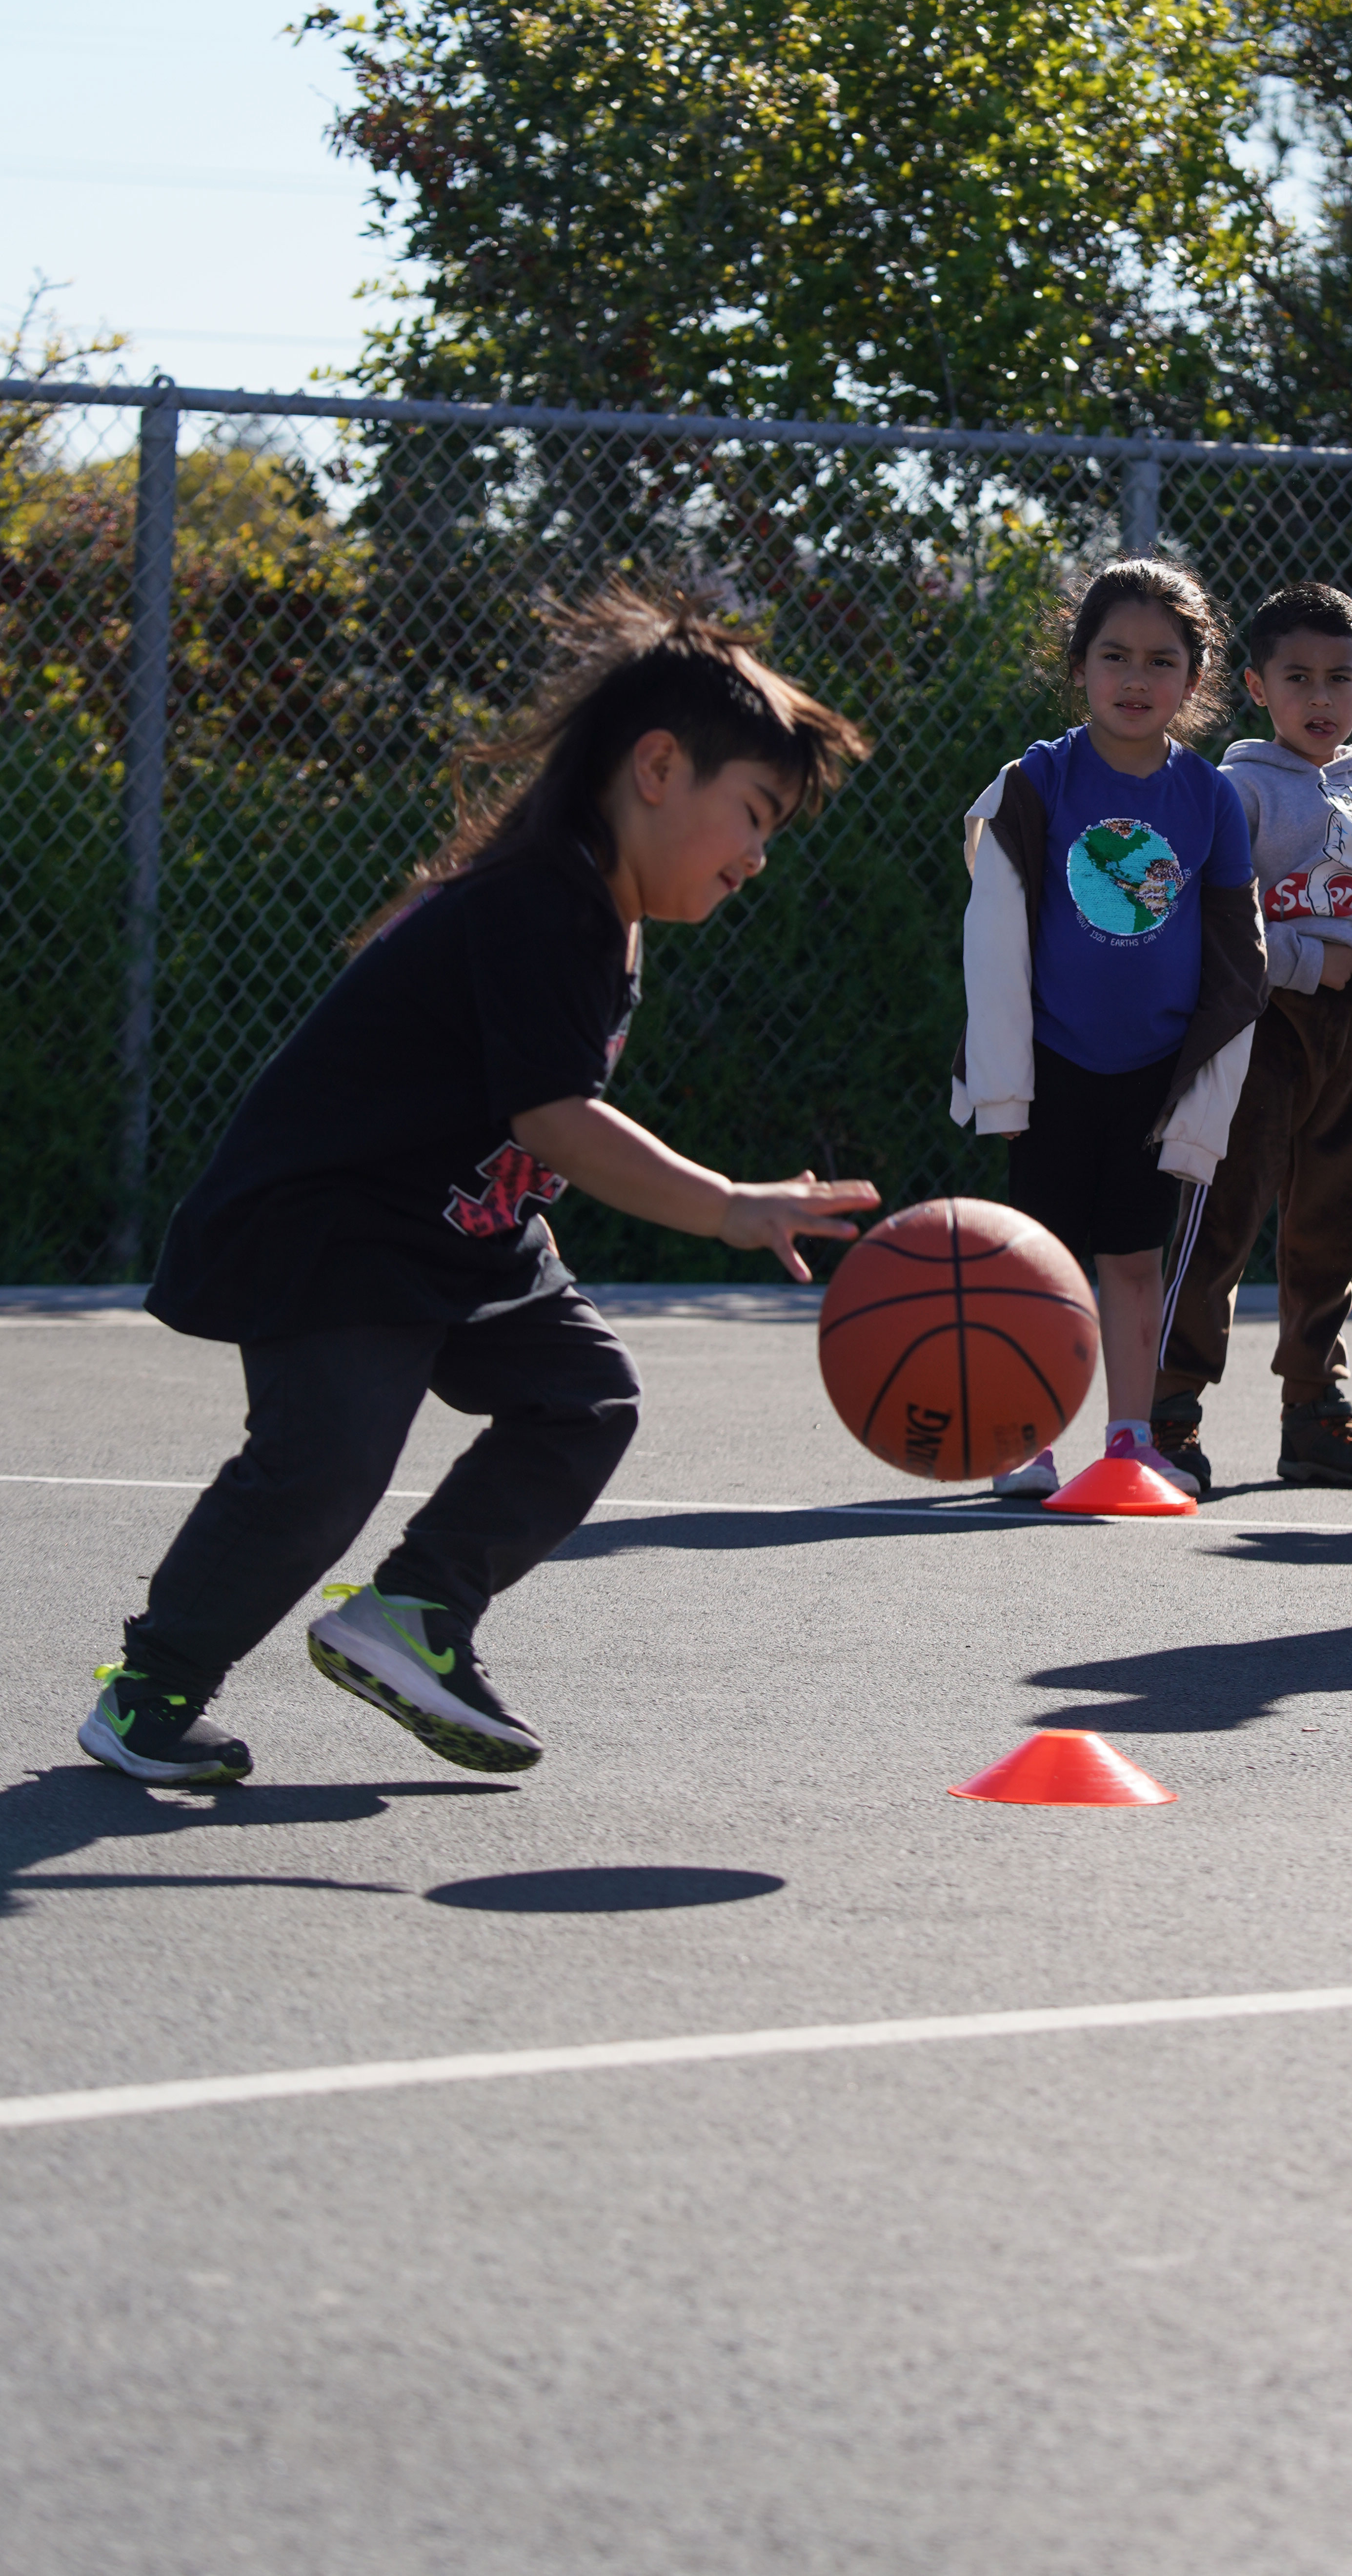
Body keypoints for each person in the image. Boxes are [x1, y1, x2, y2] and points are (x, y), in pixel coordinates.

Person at [79, 584, 878, 1789]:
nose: (758, 860)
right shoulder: (539, 900)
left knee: (583, 1398)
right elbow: (556, 1116)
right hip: (338, 1220)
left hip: (463, 1228)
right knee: (323, 1468)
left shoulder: (593, 911)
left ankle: (416, 1614)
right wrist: (728, 1202)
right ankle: (151, 1692)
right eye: (754, 816)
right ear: (658, 768)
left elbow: (528, 1121)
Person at [952, 555, 1267, 1502]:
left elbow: (1234, 947)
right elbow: (996, 930)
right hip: (1054, 1064)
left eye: (1161, 661)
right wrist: (1003, 1080)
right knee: (1037, 1262)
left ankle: (1129, 1442)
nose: (1137, 679)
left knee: (1134, 1262)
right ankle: (1026, 1437)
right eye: (1114, 656)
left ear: (1195, 678)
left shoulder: (1211, 798)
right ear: (1078, 665)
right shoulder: (1040, 781)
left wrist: (1204, 1090)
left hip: (1154, 1072)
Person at [1149, 581, 1352, 1493]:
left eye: (1339, 679)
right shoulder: (1235, 791)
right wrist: (1296, 961)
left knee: (1330, 1227)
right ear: (1255, 685)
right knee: (1220, 1222)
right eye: (1298, 678)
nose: (1320, 699)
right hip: (1260, 1033)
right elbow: (1209, 919)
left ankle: (1314, 1412)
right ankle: (1169, 1413)